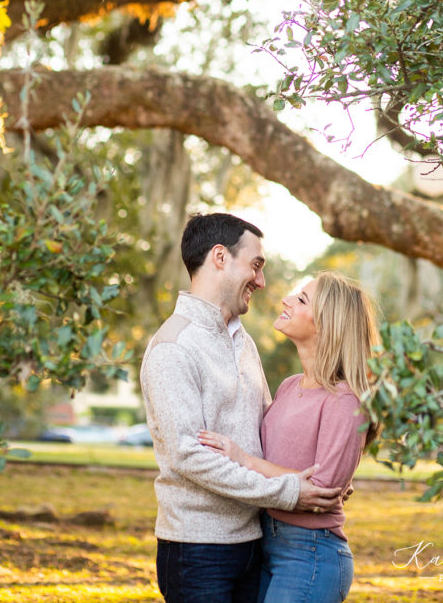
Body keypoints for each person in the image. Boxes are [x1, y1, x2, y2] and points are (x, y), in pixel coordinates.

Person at [140, 213, 344, 603]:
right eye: (255, 265)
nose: (261, 281)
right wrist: (287, 491)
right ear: (220, 257)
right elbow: (189, 456)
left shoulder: (242, 341)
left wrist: (320, 471)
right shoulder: (173, 347)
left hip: (256, 542)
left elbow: (268, 428)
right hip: (198, 550)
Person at [198, 270, 380, 603]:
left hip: (309, 553)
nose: (286, 300)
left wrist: (246, 460)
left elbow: (321, 490)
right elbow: (294, 473)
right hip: (267, 543)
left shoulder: (345, 399)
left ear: (327, 323)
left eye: (301, 299)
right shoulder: (288, 386)